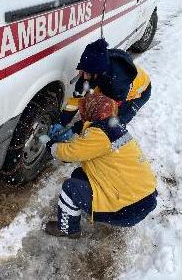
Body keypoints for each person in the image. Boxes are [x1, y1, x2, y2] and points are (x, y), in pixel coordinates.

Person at [44, 93, 158, 238]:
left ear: (91, 112)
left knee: (70, 187)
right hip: (145, 197)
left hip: (128, 210)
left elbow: (69, 154)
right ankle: (102, 207)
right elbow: (90, 145)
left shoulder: (100, 134)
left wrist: (50, 145)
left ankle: (68, 229)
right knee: (80, 174)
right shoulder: (115, 127)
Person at [49, 38, 152, 139]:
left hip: (140, 92)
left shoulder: (116, 85)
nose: (84, 76)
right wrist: (61, 122)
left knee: (112, 125)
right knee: (91, 101)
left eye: (87, 73)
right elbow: (77, 98)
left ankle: (109, 149)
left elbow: (103, 115)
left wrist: (74, 130)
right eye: (82, 71)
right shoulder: (90, 69)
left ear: (97, 74)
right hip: (108, 80)